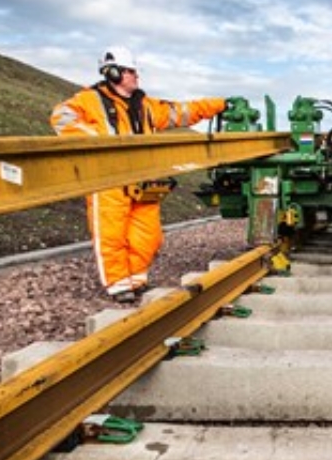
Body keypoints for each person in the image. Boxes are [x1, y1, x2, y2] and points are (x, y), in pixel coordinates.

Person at [50, 47, 229, 302]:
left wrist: (219, 104)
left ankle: (135, 279)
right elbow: (61, 118)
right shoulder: (88, 100)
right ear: (112, 73)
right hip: (108, 179)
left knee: (150, 235)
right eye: (130, 71)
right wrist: (98, 142)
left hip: (142, 179)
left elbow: (182, 112)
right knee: (111, 234)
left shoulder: (145, 106)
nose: (136, 77)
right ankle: (118, 284)